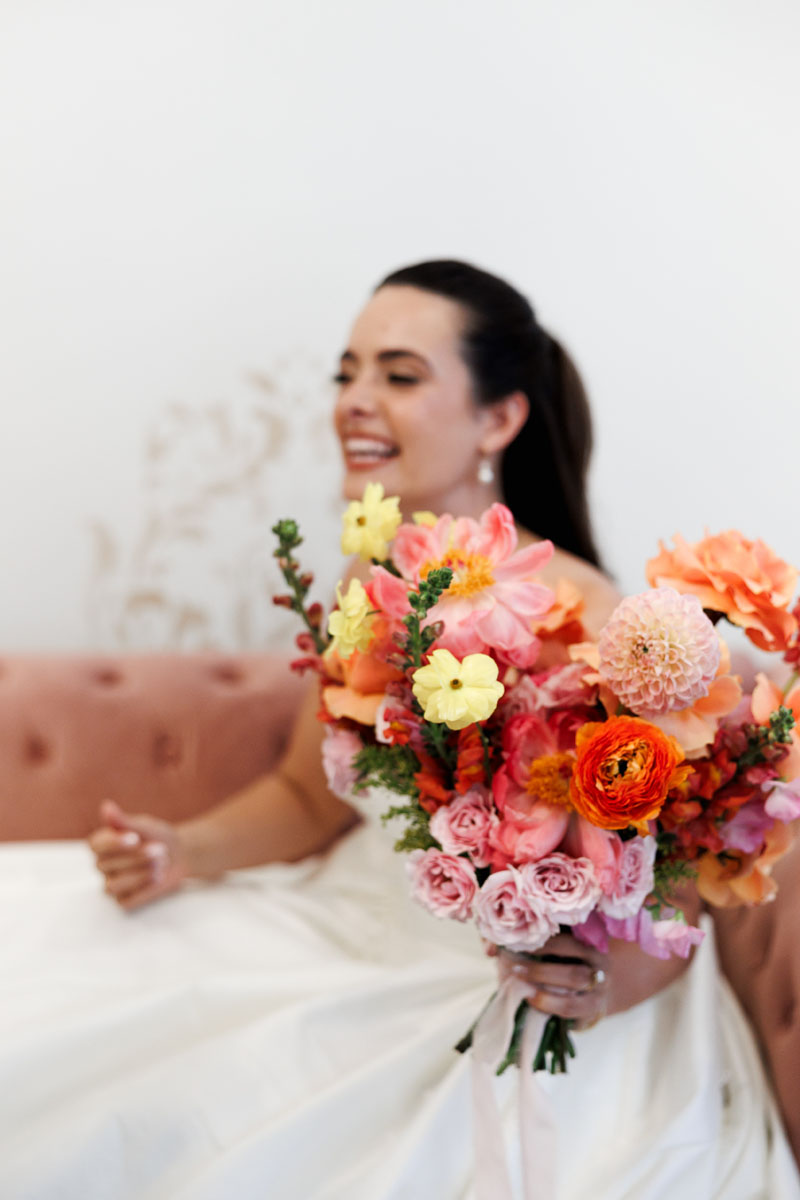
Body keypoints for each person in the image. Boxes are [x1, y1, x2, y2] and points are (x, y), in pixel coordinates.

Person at [71, 259, 796, 1197]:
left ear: (499, 418)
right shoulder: (365, 588)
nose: (355, 403)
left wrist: (598, 986)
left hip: (502, 983)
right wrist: (180, 848)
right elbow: (305, 797)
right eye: (347, 373)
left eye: (399, 375)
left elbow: (675, 889)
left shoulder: (588, 615)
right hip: (351, 922)